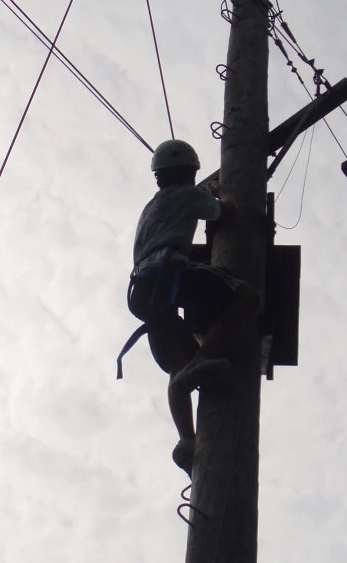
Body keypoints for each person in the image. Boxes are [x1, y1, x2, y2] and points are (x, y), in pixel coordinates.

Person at [118, 139, 259, 478]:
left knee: (176, 368)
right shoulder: (188, 195)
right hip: (170, 273)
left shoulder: (149, 208)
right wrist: (221, 191)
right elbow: (228, 212)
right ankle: (200, 363)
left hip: (143, 292)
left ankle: (186, 440)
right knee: (247, 297)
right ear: (189, 172)